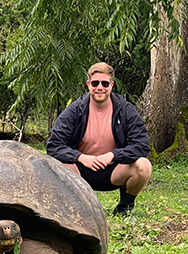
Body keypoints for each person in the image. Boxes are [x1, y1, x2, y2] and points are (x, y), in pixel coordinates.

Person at [46, 62, 152, 215]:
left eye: (104, 83)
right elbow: (53, 146)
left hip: (113, 170)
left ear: (111, 85)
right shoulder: (75, 110)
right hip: (80, 170)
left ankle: (124, 208)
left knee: (143, 166)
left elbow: (141, 145)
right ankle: (74, 208)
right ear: (89, 84)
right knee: (55, 165)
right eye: (95, 83)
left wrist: (112, 155)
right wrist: (81, 157)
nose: (100, 87)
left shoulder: (125, 109)